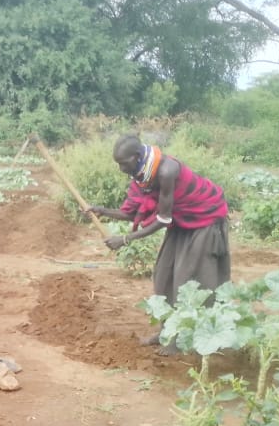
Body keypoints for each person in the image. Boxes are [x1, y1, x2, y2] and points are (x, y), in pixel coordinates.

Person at [87, 134, 231, 353]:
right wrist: (102, 210)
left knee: (188, 281)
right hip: (181, 223)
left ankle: (182, 340)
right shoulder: (142, 175)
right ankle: (167, 331)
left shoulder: (166, 171)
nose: (121, 169)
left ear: (136, 157)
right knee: (164, 274)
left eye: (123, 164)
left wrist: (124, 240)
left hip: (204, 222)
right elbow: (131, 212)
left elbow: (163, 220)